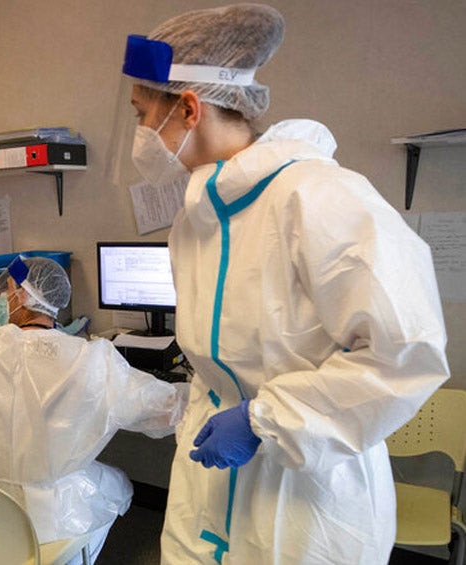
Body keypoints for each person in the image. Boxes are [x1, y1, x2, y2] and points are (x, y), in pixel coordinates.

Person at [116, 4, 450, 563]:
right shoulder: (196, 219)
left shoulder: (321, 198)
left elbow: (405, 353)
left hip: (308, 493)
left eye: (142, 113)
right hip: (210, 482)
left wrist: (263, 419)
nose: (140, 132)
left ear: (190, 108)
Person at [0, 256, 188, 564]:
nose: (4, 298)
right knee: (118, 485)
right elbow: (163, 409)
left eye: (9, 289)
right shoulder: (91, 359)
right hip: (53, 515)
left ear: (24, 296)